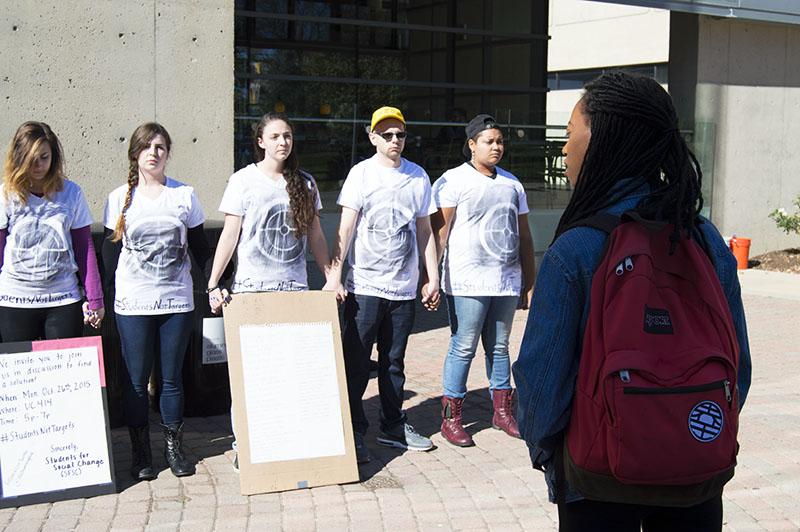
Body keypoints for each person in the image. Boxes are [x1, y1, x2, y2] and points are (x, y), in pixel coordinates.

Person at [512, 72, 752, 531]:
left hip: (597, 478)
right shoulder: (704, 240)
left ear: (602, 139)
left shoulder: (577, 248)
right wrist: (683, 429)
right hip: (696, 469)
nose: (564, 149)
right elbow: (738, 368)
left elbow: (542, 382)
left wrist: (552, 456)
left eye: (570, 134)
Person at [205, 112, 337, 471]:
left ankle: (286, 444)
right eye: (276, 136)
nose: (283, 142)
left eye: (288, 136)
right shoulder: (243, 181)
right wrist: (214, 282)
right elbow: (230, 234)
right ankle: (245, 445)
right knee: (251, 378)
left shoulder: (305, 183)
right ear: (261, 141)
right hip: (252, 293)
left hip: (293, 290)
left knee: (290, 374)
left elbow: (316, 237)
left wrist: (331, 277)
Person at [326, 106, 440, 464]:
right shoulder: (361, 175)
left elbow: (425, 231)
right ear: (373, 137)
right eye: (387, 134)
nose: (394, 140)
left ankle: (393, 425)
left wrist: (432, 276)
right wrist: (334, 275)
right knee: (356, 362)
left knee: (393, 362)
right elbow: (345, 229)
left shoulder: (418, 177)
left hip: (403, 290)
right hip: (365, 287)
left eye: (400, 134)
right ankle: (353, 430)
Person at [102, 122, 210, 481]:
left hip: (176, 302)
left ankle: (172, 448)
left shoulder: (185, 195)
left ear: (168, 153)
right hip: (133, 304)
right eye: (147, 147)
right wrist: (100, 299)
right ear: (135, 153)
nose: (154, 153)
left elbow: (201, 249)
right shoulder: (119, 198)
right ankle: (140, 451)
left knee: (171, 380)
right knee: (135, 381)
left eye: (160, 146)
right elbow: (109, 253)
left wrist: (215, 285)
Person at [429, 114, 536, 447]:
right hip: (467, 281)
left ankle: (502, 412)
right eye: (489, 141)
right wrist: (429, 276)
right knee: (463, 346)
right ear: (472, 144)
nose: (496, 147)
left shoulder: (512, 184)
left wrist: (528, 281)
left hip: (504, 281)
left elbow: (524, 236)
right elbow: (439, 231)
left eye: (500, 141)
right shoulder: (452, 180)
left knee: (500, 348)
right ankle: (452, 418)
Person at [0, 121, 104, 341]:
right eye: (31, 159)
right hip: (14, 300)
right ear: (20, 157)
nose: (38, 165)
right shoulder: (6, 194)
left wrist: (95, 299)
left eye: (44, 157)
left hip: (62, 300)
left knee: (63, 374)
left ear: (54, 156)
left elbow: (84, 248)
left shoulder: (71, 193)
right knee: (22, 373)